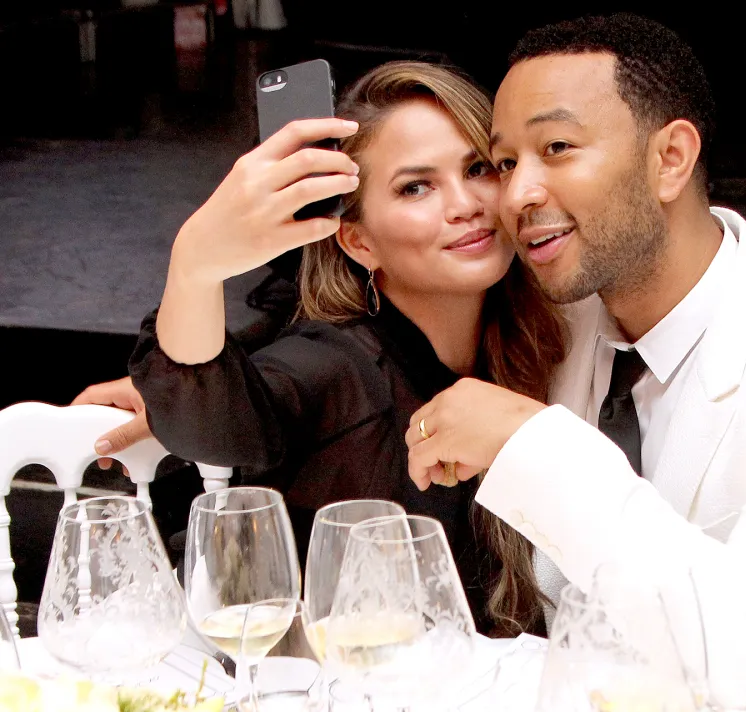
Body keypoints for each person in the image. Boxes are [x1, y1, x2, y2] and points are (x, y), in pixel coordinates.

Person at [404, 14, 746, 707]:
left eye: (556, 148)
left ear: (670, 159)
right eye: (505, 163)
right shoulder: (560, 315)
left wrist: (534, 442)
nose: (517, 194)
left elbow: (745, 655)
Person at [119, 61, 565, 636]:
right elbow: (216, 424)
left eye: (477, 168)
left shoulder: (545, 338)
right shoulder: (337, 364)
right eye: (416, 187)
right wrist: (194, 265)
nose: (465, 204)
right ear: (358, 242)